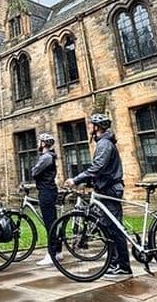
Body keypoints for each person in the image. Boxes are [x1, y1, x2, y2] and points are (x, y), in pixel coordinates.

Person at [64, 113, 132, 279]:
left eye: (90, 125)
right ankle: (115, 263)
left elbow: (97, 167)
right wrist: (90, 183)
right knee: (108, 228)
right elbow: (102, 170)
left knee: (114, 229)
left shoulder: (104, 144)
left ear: (96, 127)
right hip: (105, 188)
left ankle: (123, 266)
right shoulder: (104, 143)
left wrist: (76, 179)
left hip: (110, 190)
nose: (88, 128)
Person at [32, 132, 62, 267]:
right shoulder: (48, 156)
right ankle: (58, 251)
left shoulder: (46, 157)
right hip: (49, 190)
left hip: (46, 192)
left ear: (43, 144)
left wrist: (34, 169)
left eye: (39, 141)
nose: (38, 144)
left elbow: (34, 172)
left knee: (49, 223)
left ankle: (51, 254)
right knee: (53, 222)